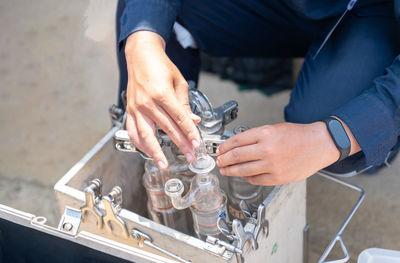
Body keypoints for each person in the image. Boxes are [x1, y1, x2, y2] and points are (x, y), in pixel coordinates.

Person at [115, 0, 400, 185]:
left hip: (378, 13)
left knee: (328, 131)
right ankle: (152, 152)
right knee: (146, 17)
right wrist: (142, 39)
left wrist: (335, 137)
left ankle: (343, 81)